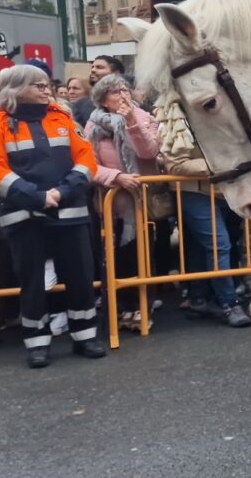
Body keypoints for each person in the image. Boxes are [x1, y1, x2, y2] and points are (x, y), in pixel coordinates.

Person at [0, 64, 104, 368]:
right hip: (22, 215)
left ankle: (85, 336)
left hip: (70, 211)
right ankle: (37, 342)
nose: (47, 90)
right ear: (16, 89)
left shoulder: (62, 117)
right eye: (38, 85)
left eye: (47, 85)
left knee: (80, 276)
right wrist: (36, 196)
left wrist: (63, 190)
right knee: (31, 280)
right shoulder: (1, 123)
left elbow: (86, 158)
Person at [157, 105, 251, 328]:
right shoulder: (173, 115)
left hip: (223, 190)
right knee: (219, 245)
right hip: (193, 192)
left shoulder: (221, 113)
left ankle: (199, 299)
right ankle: (229, 302)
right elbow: (174, 164)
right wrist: (218, 166)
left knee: (203, 246)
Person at [85, 74, 161, 331]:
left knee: (142, 255)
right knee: (117, 258)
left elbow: (148, 152)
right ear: (103, 101)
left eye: (124, 90)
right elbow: (88, 165)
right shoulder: (93, 126)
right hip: (111, 204)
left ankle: (142, 307)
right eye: (115, 92)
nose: (122, 95)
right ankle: (122, 309)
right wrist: (116, 177)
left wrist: (131, 121)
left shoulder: (144, 117)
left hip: (141, 201)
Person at [73, 56, 124, 127]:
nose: (93, 70)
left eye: (99, 67)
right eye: (92, 67)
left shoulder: (130, 101)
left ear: (115, 73)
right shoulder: (80, 105)